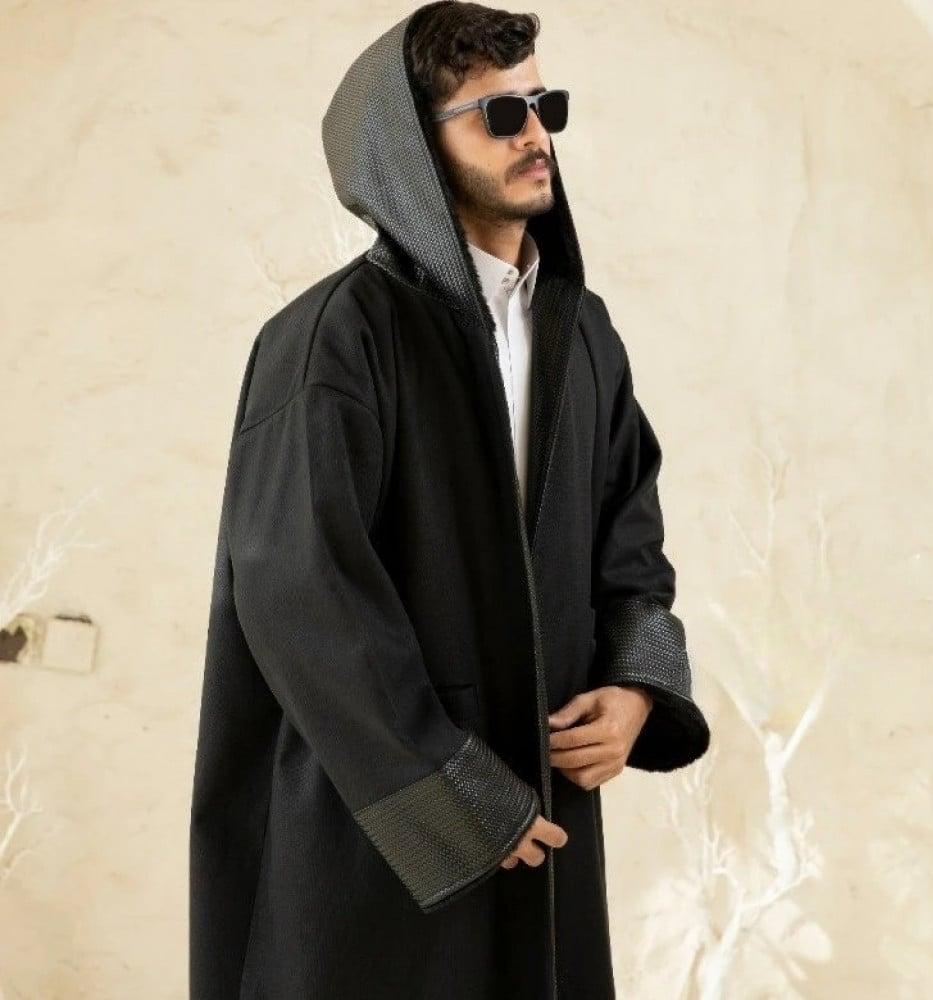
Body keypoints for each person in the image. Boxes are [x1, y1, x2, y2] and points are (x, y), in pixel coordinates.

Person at [188, 3, 710, 998]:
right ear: (410, 146)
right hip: (372, 821)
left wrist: (636, 686)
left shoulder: (583, 335)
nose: (536, 135)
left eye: (544, 106)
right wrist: (448, 788)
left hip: (544, 802)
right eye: (499, 115)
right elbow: (298, 584)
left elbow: (630, 533)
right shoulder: (333, 337)